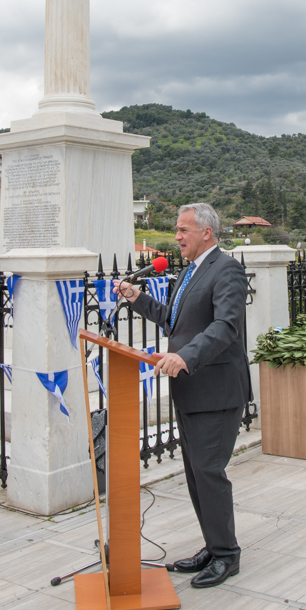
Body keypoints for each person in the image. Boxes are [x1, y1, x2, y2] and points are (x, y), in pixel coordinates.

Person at [114, 202, 251, 588]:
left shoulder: (227, 270)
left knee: (209, 472)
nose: (176, 237)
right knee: (195, 475)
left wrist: (184, 356)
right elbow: (174, 321)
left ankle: (227, 556)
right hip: (190, 389)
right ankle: (214, 544)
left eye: (183, 230)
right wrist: (136, 298)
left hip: (216, 390)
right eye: (177, 230)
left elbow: (225, 328)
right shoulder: (188, 273)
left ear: (206, 232)